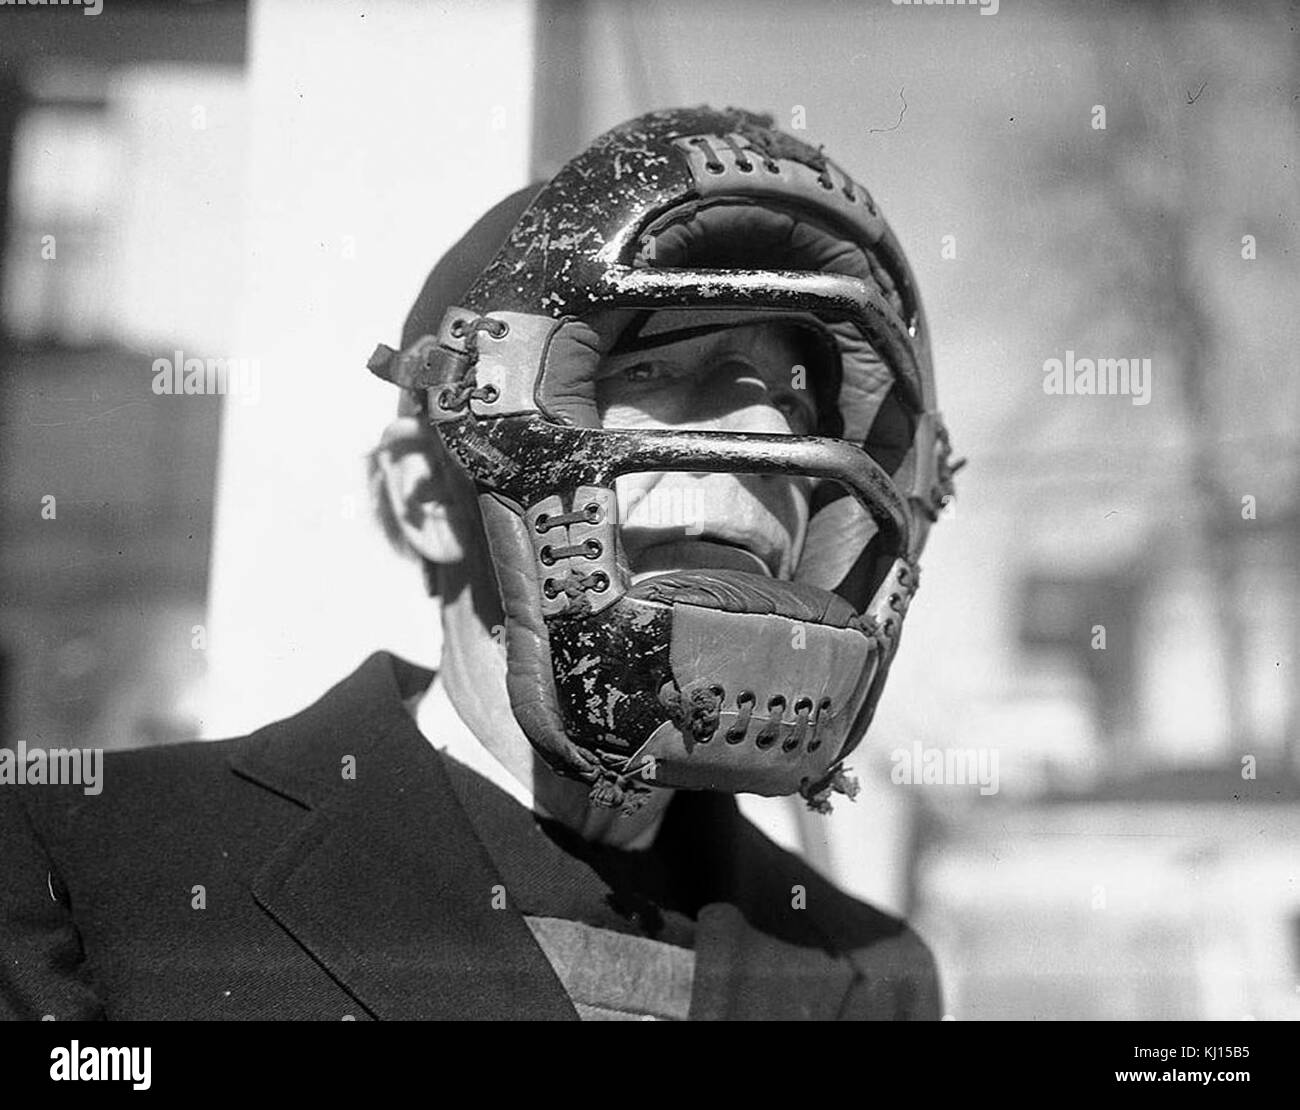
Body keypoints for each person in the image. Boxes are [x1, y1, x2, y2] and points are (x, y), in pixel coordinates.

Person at [0, 106, 958, 1021]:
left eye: (792, 403)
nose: (764, 433)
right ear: (427, 499)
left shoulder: (874, 978)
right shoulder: (75, 872)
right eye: (649, 371)